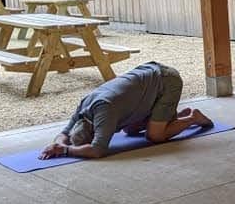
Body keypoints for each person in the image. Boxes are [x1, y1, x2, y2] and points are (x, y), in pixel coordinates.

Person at [39, 61, 212, 160]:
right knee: (129, 130)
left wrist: (65, 150)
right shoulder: (85, 108)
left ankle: (192, 118)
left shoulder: (104, 113)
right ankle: (169, 119)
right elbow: (64, 132)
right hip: (149, 75)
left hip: (166, 81)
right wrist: (57, 144)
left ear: (94, 131)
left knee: (155, 136)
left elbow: (97, 150)